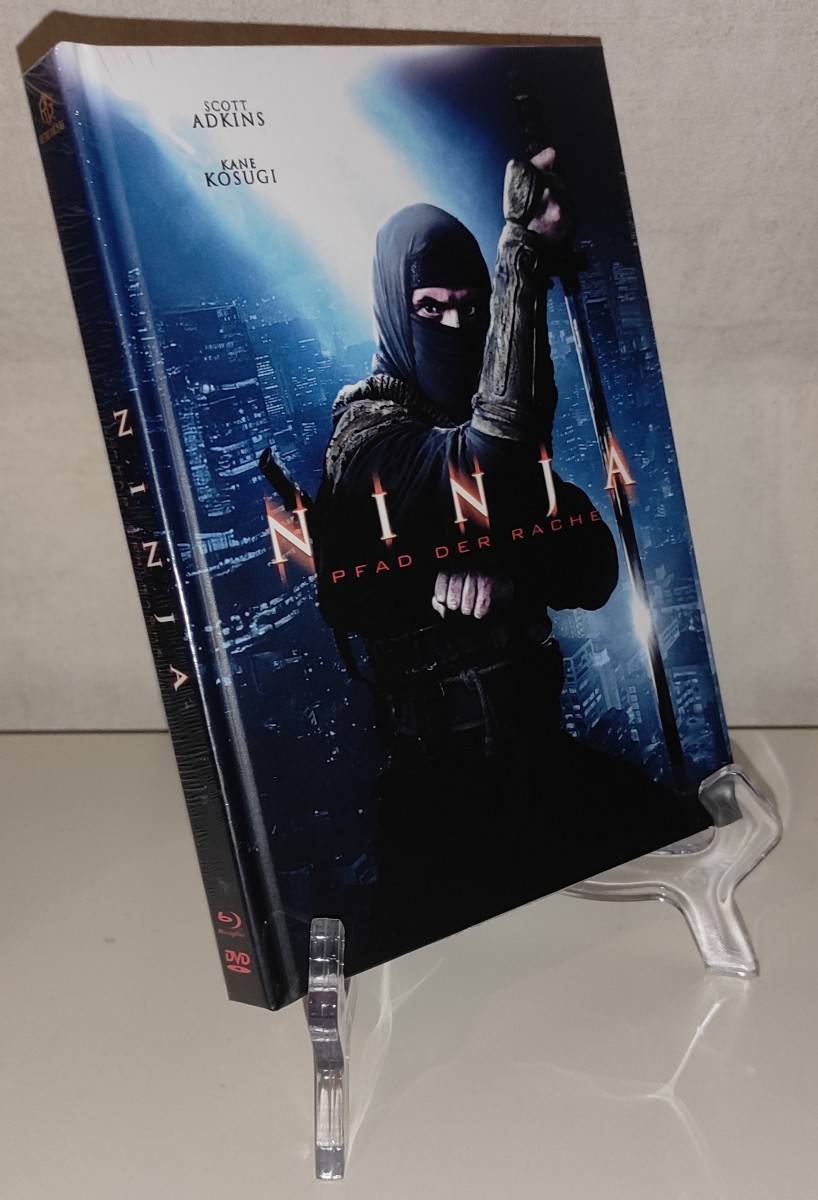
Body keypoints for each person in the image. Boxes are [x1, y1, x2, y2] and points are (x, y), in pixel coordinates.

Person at [314, 149, 707, 956]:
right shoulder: (366, 440)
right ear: (392, 311)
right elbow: (488, 462)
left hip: (540, 757)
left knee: (680, 846)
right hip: (441, 797)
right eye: (430, 308)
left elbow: (592, 563)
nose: (457, 328)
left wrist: (508, 567)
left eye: (472, 307)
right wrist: (522, 250)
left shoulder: (477, 427)